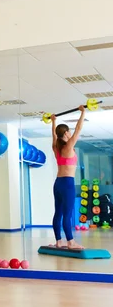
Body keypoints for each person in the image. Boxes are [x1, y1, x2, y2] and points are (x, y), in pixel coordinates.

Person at [50, 106, 85, 250]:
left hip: (58, 183)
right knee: (67, 214)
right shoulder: (68, 147)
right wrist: (83, 112)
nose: (71, 133)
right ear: (65, 133)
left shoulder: (56, 147)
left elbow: (53, 135)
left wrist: (53, 121)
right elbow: (78, 129)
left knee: (58, 212)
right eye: (68, 131)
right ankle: (70, 242)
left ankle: (59, 241)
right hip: (68, 183)